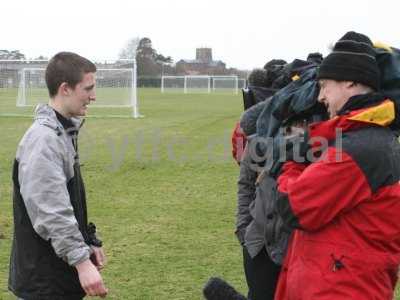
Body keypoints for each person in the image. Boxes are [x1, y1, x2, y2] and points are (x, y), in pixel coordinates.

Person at [274, 31, 400, 299]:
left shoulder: (360, 147)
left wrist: (294, 161)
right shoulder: (368, 138)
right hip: (341, 280)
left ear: (351, 83)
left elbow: (294, 207)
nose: (320, 97)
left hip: (341, 288)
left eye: (324, 85)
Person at [9, 52, 108, 299]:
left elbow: (67, 200)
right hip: (44, 281)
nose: (93, 96)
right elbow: (50, 210)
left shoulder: (63, 132)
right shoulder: (44, 140)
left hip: (57, 276)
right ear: (65, 88)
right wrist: (81, 261)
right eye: (88, 88)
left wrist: (88, 240)